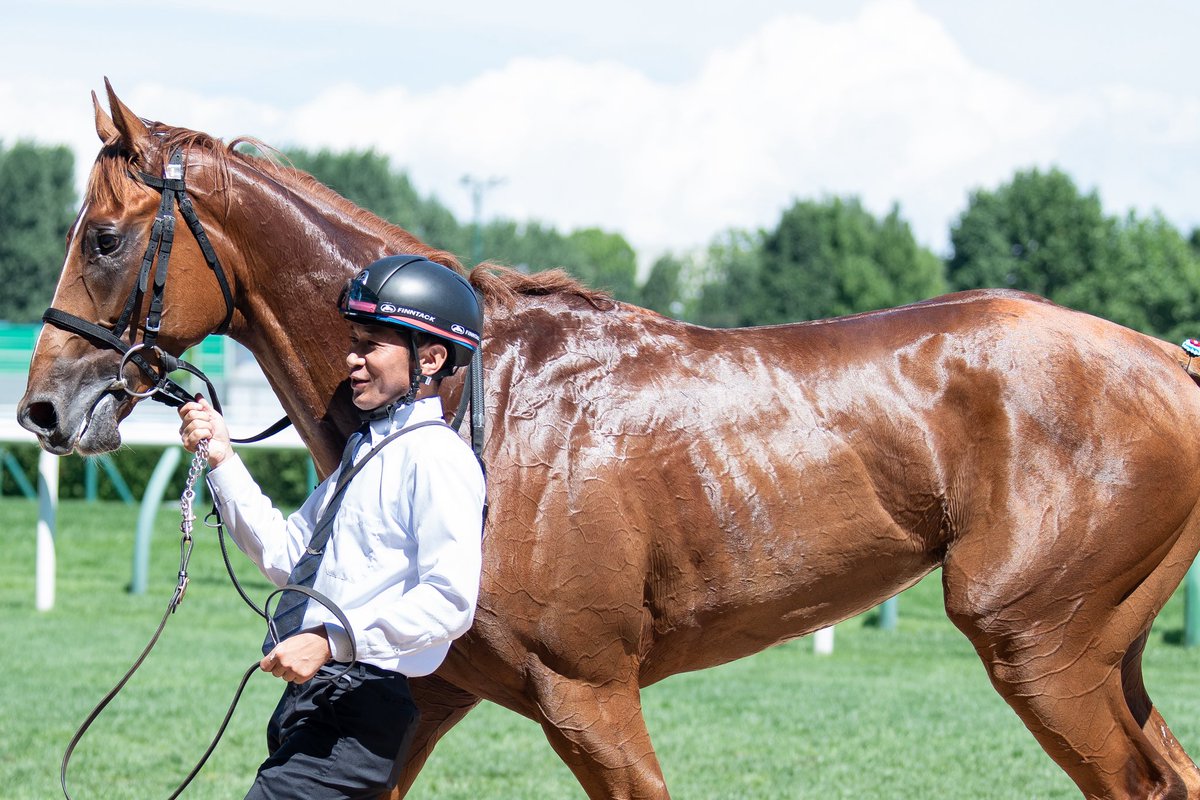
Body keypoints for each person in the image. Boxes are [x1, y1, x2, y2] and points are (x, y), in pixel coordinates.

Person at [177, 254, 486, 799]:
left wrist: (329, 640)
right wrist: (223, 459)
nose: (352, 359)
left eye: (371, 346)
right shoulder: (366, 451)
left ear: (431, 358)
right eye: (354, 343)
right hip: (311, 703)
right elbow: (287, 555)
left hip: (360, 709)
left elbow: (450, 600)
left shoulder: (438, 459)